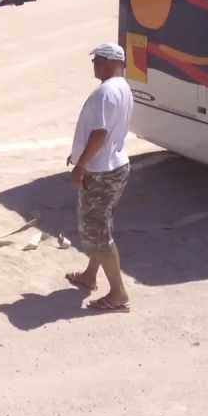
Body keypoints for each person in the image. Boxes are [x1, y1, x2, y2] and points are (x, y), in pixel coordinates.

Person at [64, 42, 135, 311]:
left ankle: (118, 294)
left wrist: (81, 165)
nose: (94, 64)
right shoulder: (123, 87)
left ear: (110, 62)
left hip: (102, 171)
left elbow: (100, 133)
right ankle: (90, 275)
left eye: (98, 60)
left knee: (98, 232)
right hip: (116, 166)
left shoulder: (106, 92)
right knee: (100, 225)